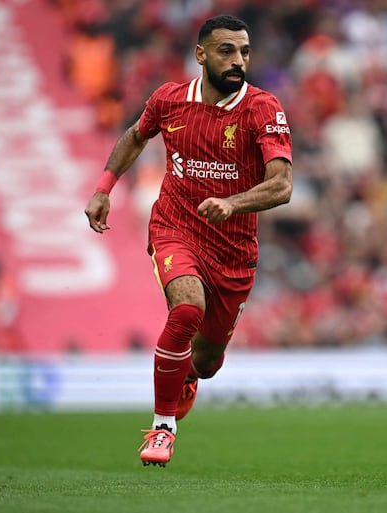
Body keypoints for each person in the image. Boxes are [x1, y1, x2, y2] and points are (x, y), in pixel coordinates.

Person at [84, 14, 293, 467]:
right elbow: (135, 137)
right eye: (226, 51)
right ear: (201, 54)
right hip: (175, 226)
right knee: (186, 308)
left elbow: (282, 186)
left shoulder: (262, 108)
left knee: (207, 359)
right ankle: (162, 429)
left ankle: (188, 376)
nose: (238, 60)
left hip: (235, 251)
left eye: (244, 52)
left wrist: (233, 204)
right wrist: (103, 188)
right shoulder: (170, 99)